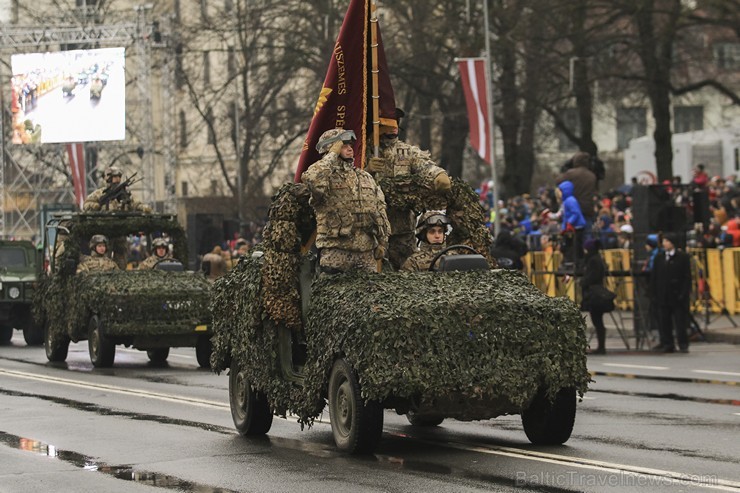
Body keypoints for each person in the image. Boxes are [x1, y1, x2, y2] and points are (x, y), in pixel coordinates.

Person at [365, 110, 451, 270]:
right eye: (387, 124)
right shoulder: (364, 151)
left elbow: (425, 166)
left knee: (406, 274)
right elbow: (348, 178)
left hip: (401, 230)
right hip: (372, 231)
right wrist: (367, 169)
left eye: (395, 123)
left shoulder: (406, 152)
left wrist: (438, 175)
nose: (393, 128)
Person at [301, 128, 390, 274]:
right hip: (335, 253)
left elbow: (380, 210)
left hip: (365, 254)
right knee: (332, 295)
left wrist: (382, 242)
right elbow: (311, 179)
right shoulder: (325, 177)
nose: (350, 149)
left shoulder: (365, 177)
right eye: (343, 145)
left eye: (350, 145)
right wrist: (332, 155)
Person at [650, 232, 691, 353]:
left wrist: (683, 293)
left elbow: (686, 277)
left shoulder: (682, 257)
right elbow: (655, 276)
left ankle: (683, 343)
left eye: (667, 241)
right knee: (664, 321)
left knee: (680, 322)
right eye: (664, 241)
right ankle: (667, 343)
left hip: (677, 295)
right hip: (663, 295)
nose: (664, 244)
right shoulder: (659, 258)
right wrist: (654, 293)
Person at [556, 151, 598, 234]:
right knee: (586, 236)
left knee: (571, 238)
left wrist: (565, 169)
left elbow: (558, 181)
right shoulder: (592, 176)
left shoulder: (569, 174)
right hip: (587, 209)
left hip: (571, 209)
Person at [580, 239, 608, 354]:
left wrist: (582, 282)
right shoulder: (596, 259)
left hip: (594, 293)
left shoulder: (593, 260)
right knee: (597, 320)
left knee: (597, 320)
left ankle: (601, 347)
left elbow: (592, 276)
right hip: (595, 292)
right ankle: (601, 346)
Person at [83, 166, 151, 212]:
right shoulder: (99, 193)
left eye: (119, 176)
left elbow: (134, 203)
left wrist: (143, 207)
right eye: (115, 176)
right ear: (108, 178)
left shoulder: (123, 192)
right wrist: (95, 206)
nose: (118, 179)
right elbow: (86, 204)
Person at [556, 180, 586, 265]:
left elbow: (575, 213)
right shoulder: (567, 201)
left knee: (576, 245)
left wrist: (569, 222)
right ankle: (572, 261)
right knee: (571, 245)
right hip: (571, 227)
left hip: (576, 227)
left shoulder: (570, 201)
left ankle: (576, 262)